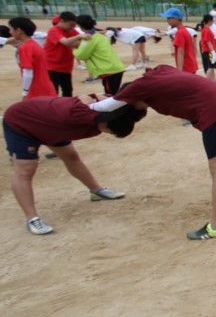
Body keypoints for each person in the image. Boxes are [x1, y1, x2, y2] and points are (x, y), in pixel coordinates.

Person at [87, 65, 216, 239]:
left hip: (213, 113)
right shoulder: (158, 74)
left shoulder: (139, 88)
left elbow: (105, 106)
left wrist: (84, 104)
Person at [4, 96, 140, 235]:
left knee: (71, 156)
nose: (109, 134)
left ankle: (96, 191)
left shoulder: (102, 114)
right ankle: (32, 218)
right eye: (110, 132)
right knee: (26, 170)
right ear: (105, 123)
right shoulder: (72, 115)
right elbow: (80, 101)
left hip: (52, 128)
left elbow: (100, 96)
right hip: (23, 123)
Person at [72, 15, 126, 95]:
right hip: (114, 68)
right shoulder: (100, 36)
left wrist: (74, 48)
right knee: (113, 94)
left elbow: (81, 55)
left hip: (109, 70)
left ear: (80, 26)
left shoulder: (89, 39)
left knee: (110, 96)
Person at [8, 17, 56, 100]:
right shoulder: (35, 45)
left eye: (11, 29)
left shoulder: (25, 48)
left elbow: (28, 73)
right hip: (47, 88)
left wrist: (25, 93)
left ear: (18, 30)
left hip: (36, 90)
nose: (10, 32)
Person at [43, 11, 84, 96]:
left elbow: (81, 43)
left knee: (68, 90)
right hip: (52, 66)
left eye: (74, 25)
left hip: (66, 67)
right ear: (61, 21)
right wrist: (78, 37)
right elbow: (66, 42)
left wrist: (77, 40)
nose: (72, 27)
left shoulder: (72, 31)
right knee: (53, 91)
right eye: (71, 25)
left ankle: (65, 108)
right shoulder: (53, 31)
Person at [161, 8, 199, 75]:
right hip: (190, 65)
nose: (167, 20)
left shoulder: (180, 33)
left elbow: (180, 52)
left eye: (169, 18)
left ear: (176, 18)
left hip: (186, 67)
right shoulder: (183, 30)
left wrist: (179, 71)